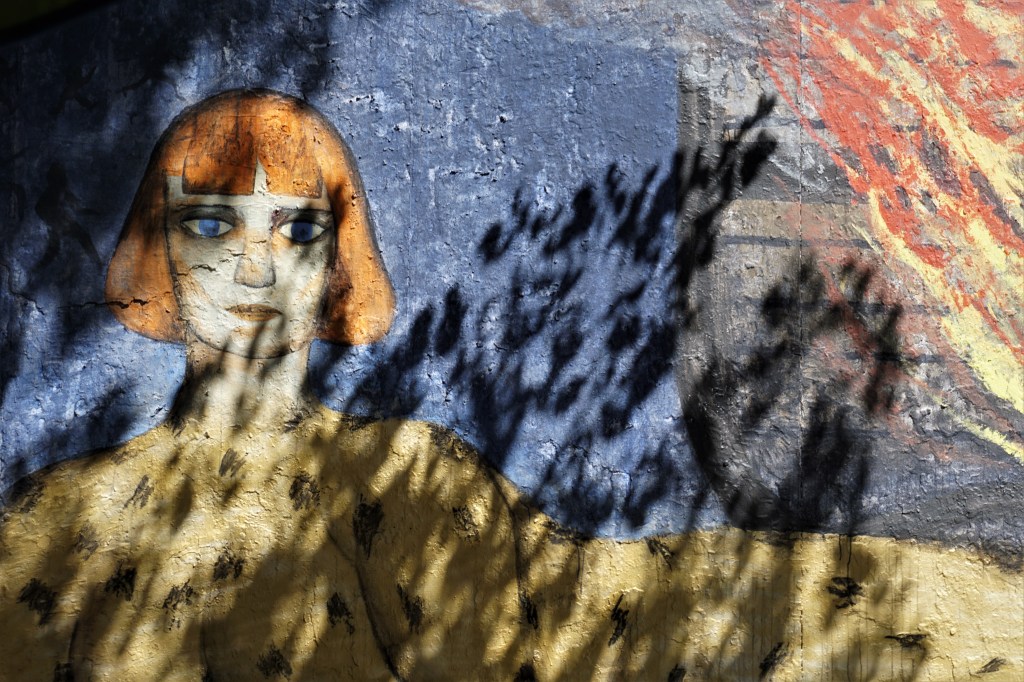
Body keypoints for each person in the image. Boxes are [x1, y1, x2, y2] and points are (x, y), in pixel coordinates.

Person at [1, 89, 1019, 681]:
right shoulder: (58, 518)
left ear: (336, 267)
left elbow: (578, 616)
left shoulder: (400, 471)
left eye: (297, 228)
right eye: (212, 223)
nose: (255, 267)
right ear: (162, 251)